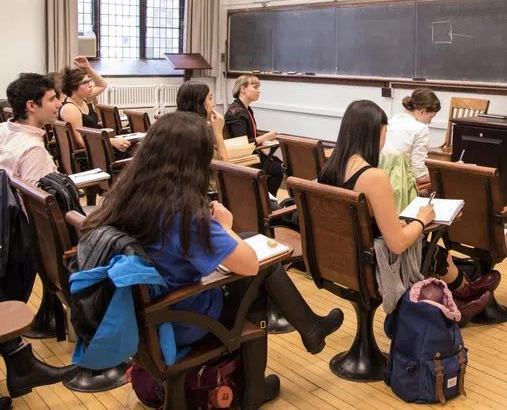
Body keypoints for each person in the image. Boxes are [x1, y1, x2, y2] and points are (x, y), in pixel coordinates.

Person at [80, 112, 343, 406]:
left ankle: (308, 329)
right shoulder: (184, 216)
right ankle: (263, 379)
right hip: (180, 319)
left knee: (245, 241)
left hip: (141, 316)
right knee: (261, 272)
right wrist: (225, 227)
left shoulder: (127, 197)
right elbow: (249, 264)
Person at [317, 100, 499, 322]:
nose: (384, 141)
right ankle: (464, 293)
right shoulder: (373, 177)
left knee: (420, 241)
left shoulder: (330, 169)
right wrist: (422, 220)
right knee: (425, 245)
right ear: (374, 134)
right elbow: (397, 244)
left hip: (339, 258)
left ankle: (458, 298)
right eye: (385, 133)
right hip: (370, 266)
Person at [0, 73, 80, 398]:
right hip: (20, 240)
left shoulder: (4, 131)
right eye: (52, 99)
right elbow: (45, 213)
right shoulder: (33, 150)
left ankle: (21, 365)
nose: (59, 104)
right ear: (32, 106)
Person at [225, 76, 283, 197]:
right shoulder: (236, 112)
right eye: (255, 87)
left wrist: (265, 152)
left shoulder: (246, 109)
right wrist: (266, 137)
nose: (259, 91)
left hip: (253, 152)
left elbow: (251, 137)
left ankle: (266, 200)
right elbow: (242, 143)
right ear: (243, 89)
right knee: (277, 171)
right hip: (243, 158)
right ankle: (267, 203)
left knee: (278, 163)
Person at [58, 57, 131, 153]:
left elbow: (102, 85)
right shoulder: (70, 109)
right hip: (88, 155)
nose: (90, 85)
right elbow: (80, 142)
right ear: (73, 88)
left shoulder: (83, 98)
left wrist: (88, 68)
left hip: (95, 147)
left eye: (89, 81)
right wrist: (111, 141)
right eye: (85, 82)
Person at [382, 88, 440, 197]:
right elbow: (419, 176)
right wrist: (444, 173)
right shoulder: (421, 129)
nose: (430, 122)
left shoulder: (390, 122)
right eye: (431, 117)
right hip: (400, 189)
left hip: (382, 183)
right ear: (422, 111)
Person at [175, 81, 229, 163]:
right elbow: (224, 168)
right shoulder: (198, 131)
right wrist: (218, 133)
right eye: (210, 99)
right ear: (199, 103)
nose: (213, 104)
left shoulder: (169, 122)